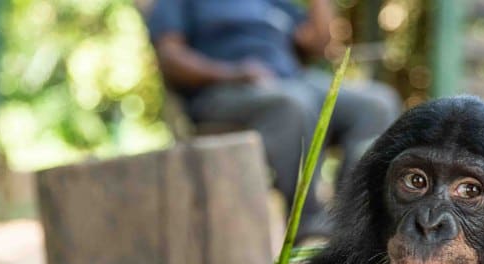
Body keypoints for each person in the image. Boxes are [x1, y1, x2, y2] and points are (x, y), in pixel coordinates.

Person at [145, 0, 401, 241]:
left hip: (291, 81)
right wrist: (231, 73)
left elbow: (317, 45)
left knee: (378, 104)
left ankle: (352, 216)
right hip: (223, 91)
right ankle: (307, 219)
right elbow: (170, 56)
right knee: (291, 106)